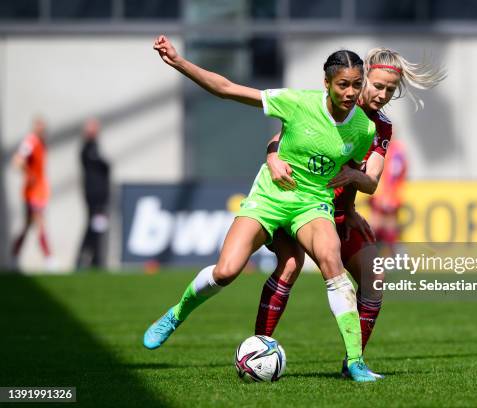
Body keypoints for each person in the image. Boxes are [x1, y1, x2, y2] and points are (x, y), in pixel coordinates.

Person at [144, 35, 379, 382]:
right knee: (226, 271)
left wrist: (354, 181)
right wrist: (179, 62)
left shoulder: (365, 128)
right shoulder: (297, 103)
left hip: (312, 204)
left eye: (356, 85)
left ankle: (355, 361)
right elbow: (226, 88)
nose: (349, 92)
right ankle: (176, 314)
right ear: (326, 82)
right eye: (342, 84)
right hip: (269, 198)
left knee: (332, 263)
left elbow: (360, 173)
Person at [254, 48, 445, 377]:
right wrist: (272, 157)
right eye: (378, 86)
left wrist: (352, 197)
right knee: (288, 267)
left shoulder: (381, 128)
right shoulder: (336, 101)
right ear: (362, 78)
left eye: (390, 90)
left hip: (338, 213)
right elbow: (282, 137)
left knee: (375, 280)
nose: (382, 95)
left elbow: (371, 180)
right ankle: (258, 349)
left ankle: (353, 363)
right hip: (300, 200)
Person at [11, 117, 54, 270]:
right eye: (40, 126)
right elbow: (17, 160)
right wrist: (28, 174)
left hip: (39, 191)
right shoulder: (31, 141)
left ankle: (14, 256)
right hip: (33, 193)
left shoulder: (41, 143)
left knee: (28, 226)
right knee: (40, 224)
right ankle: (49, 259)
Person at [76, 119, 111, 270]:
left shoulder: (94, 147)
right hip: (93, 195)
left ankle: (96, 260)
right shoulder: (87, 148)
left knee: (97, 227)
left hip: (100, 195)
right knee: (93, 227)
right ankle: (83, 260)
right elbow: (103, 164)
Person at [369, 138, 408, 249]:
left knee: (387, 228)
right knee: (379, 228)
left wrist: (387, 196)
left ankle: (398, 259)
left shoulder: (395, 150)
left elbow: (394, 174)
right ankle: (379, 259)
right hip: (380, 195)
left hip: (388, 196)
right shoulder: (381, 148)